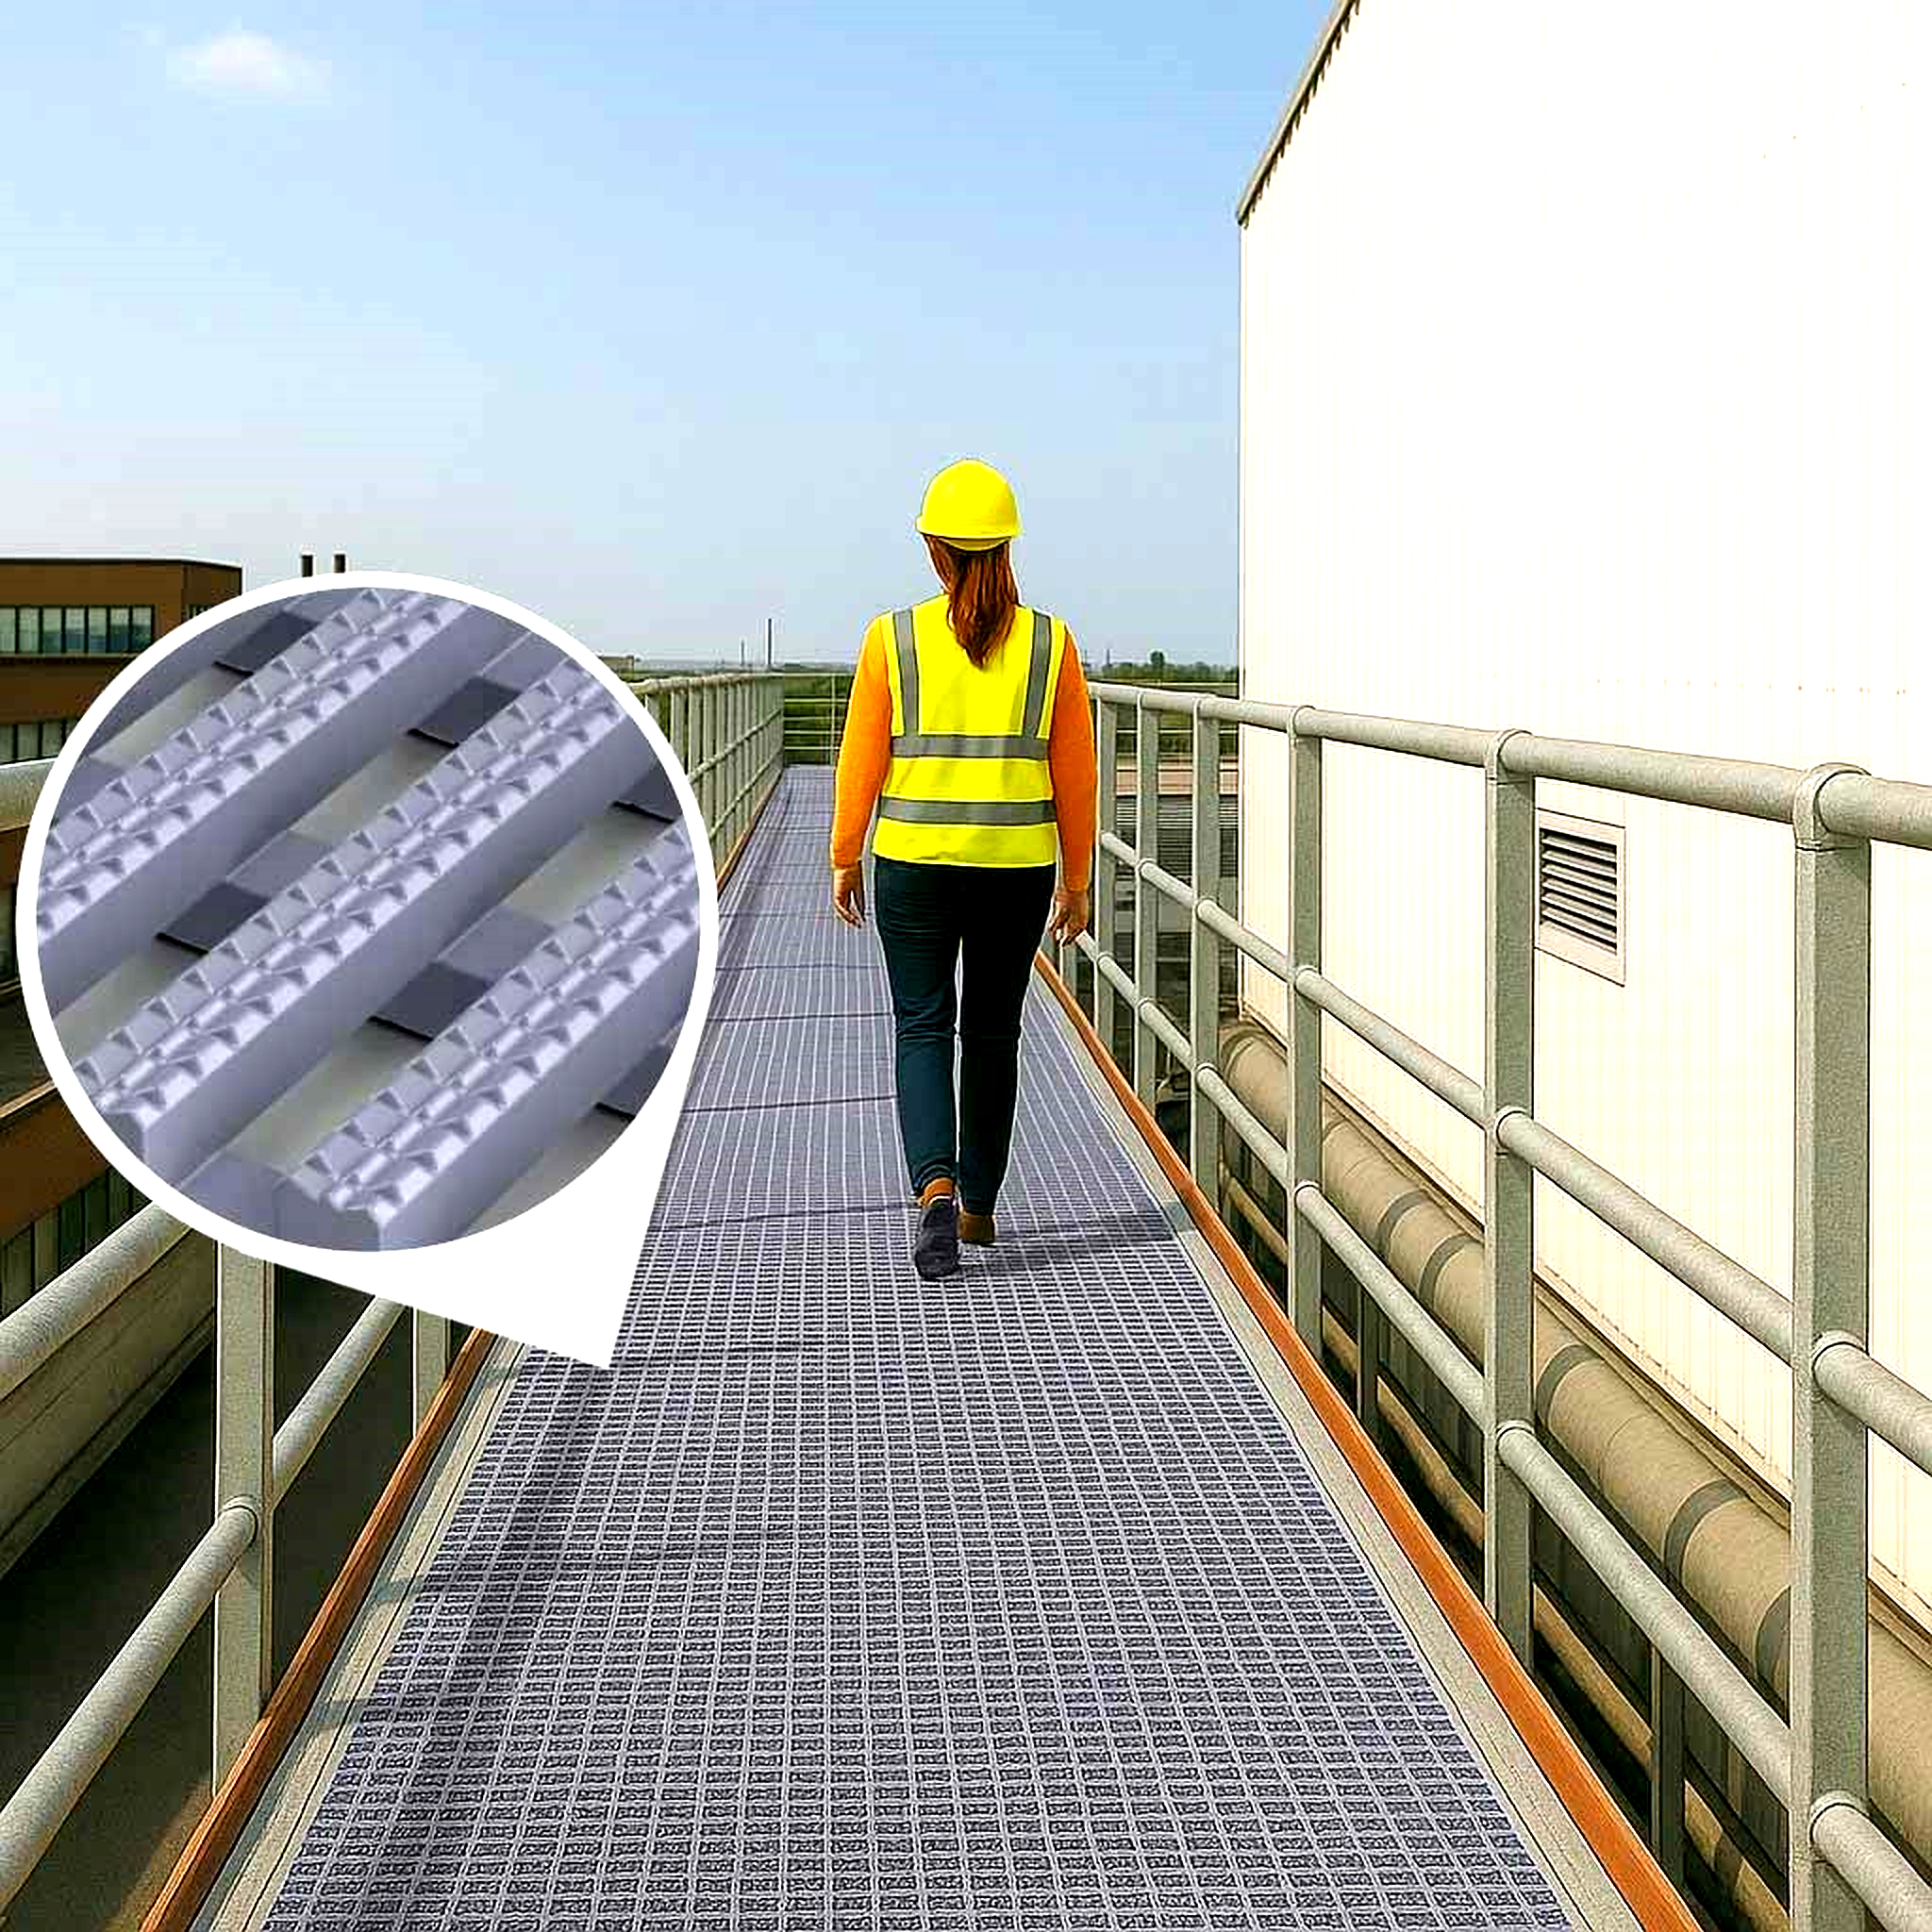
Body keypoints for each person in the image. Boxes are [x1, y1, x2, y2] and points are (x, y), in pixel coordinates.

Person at [829, 458, 1098, 1280]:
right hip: (1015, 870)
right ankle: (979, 1210)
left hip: (911, 864)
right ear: (1006, 547)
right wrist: (1076, 881)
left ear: (935, 551)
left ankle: (934, 1192)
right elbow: (1076, 775)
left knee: (921, 1026)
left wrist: (845, 857)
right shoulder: (1052, 645)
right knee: (991, 1033)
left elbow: (859, 762)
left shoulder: (892, 639)